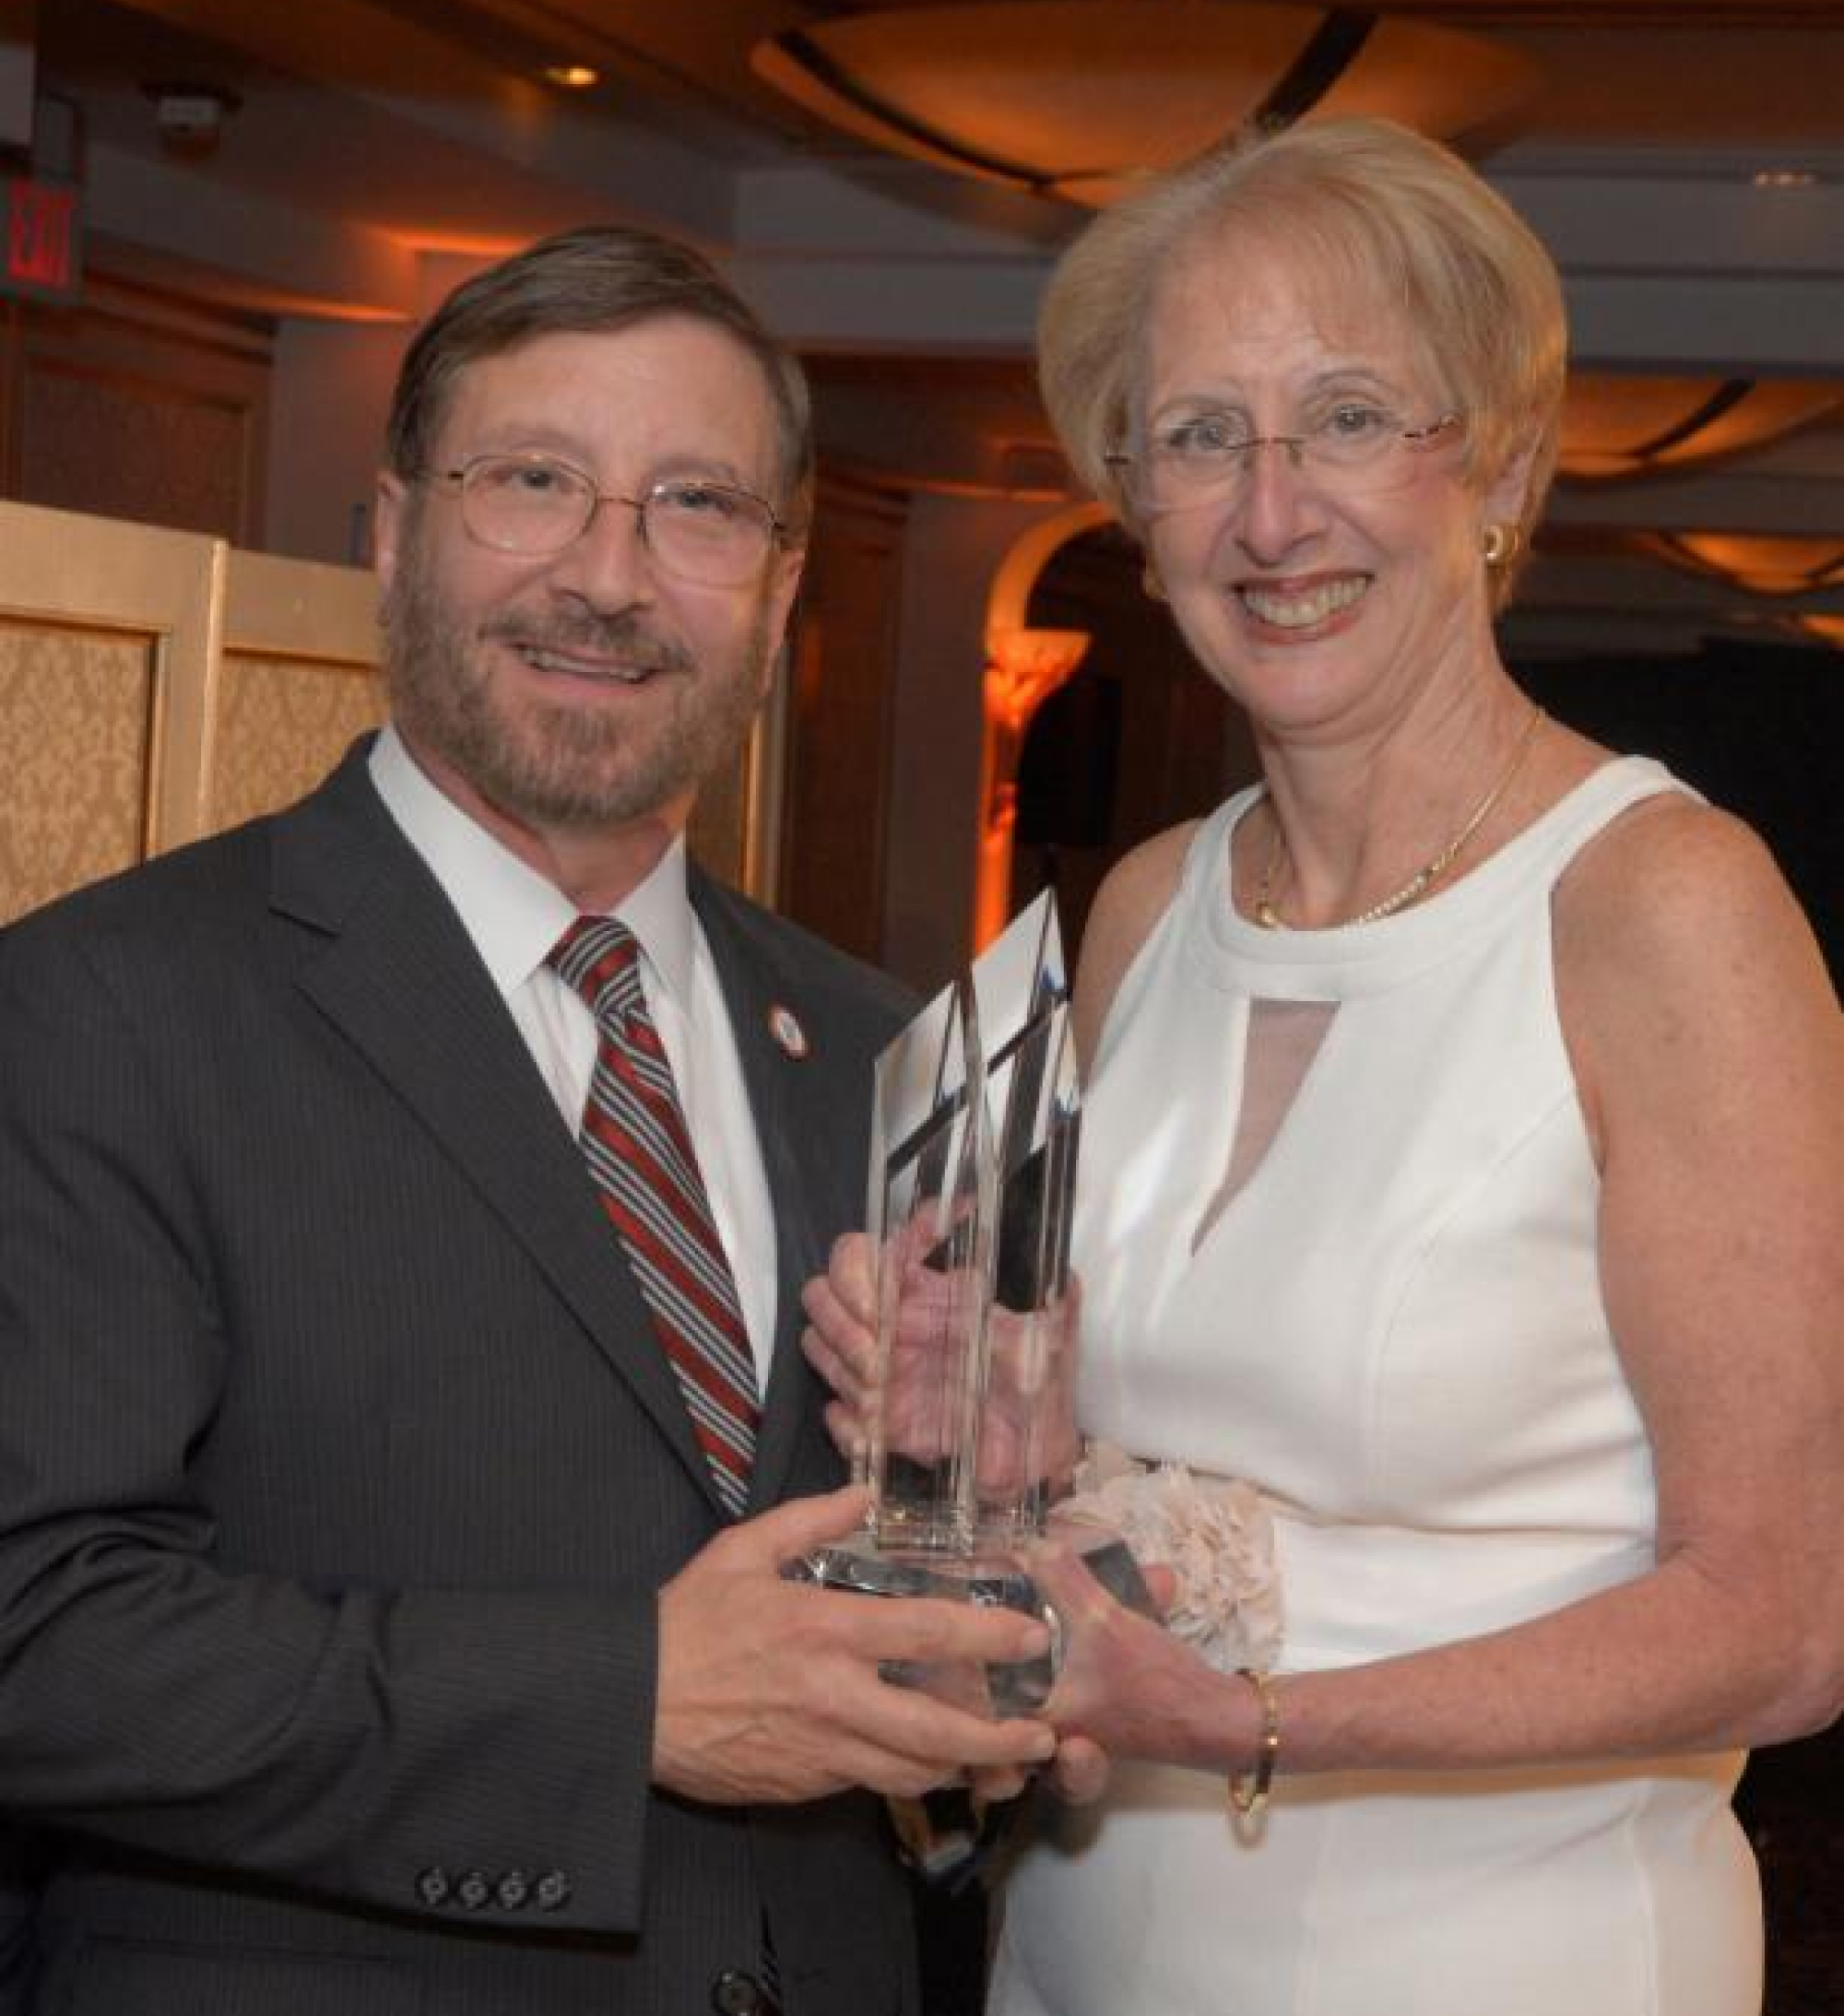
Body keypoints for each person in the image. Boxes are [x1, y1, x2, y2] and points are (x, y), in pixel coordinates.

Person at [802, 118, 1844, 2016]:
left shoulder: (1666, 910)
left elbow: (1780, 1621)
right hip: (1080, 1948)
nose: (1270, 513)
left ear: (1502, 469)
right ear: (1138, 502)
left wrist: (1244, 1718)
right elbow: (1165, 1492)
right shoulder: (1137, 914)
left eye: (1350, 418)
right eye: (1198, 435)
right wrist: (989, 1436)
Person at [0, 224, 1058, 2016]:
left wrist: (994, 1598)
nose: (608, 575)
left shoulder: (891, 1048)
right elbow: (36, 1633)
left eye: (696, 504)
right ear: (399, 532)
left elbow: (901, 1654)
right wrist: (627, 1693)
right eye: (535, 482)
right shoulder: (96, 1009)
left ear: (780, 589)